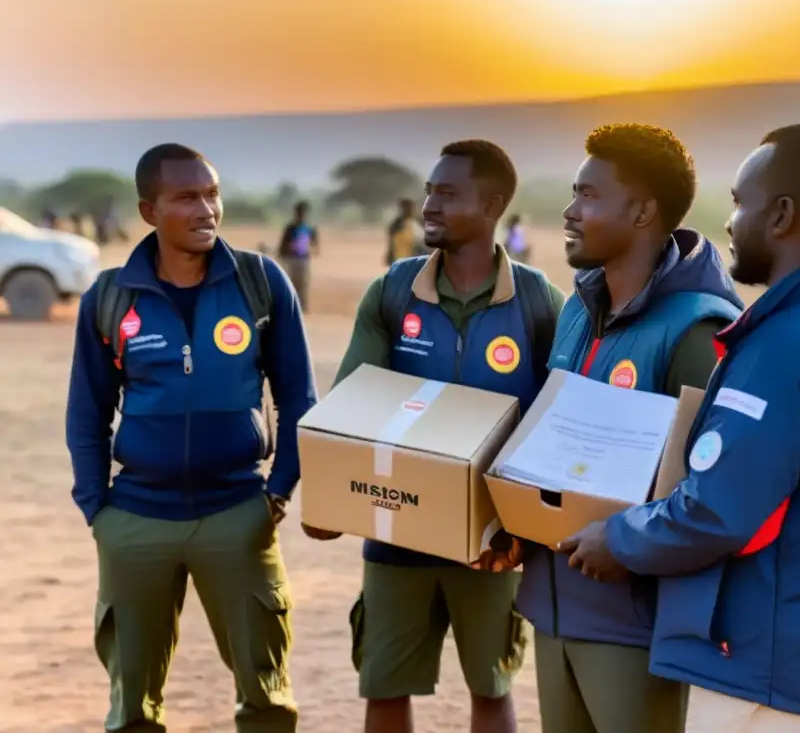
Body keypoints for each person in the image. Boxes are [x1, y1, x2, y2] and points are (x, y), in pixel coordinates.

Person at [562, 123, 800, 732]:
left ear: (780, 216)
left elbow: (717, 511)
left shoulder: (787, 344)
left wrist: (616, 539)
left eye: (737, 202)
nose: (728, 222)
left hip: (770, 674)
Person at [311, 139, 565, 733]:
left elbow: (555, 426)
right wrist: (328, 498)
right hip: (396, 531)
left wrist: (522, 532)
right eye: (429, 191)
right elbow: (350, 410)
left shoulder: (538, 303)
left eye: (447, 194)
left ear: (493, 204)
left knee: (491, 689)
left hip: (491, 545)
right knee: (385, 688)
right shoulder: (393, 294)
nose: (430, 205)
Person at [65, 143, 317, 733]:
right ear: (149, 212)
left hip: (238, 512)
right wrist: (96, 508)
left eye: (212, 194)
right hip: (135, 521)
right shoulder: (109, 297)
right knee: (132, 708)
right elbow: (88, 412)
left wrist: (277, 493)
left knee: (268, 699)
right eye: (187, 197)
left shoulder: (260, 283)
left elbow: (298, 397)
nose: (207, 209)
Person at [514, 123, 744, 733]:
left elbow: (705, 492)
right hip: (552, 605)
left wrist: (623, 546)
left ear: (642, 211)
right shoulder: (575, 310)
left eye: (588, 196)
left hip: (634, 625)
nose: (569, 211)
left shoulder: (700, 331)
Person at [276, 200, 319, 312]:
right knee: (293, 282)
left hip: (303, 258)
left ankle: (303, 305)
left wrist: (313, 248)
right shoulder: (291, 228)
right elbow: (283, 243)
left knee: (303, 282)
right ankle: (295, 304)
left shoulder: (309, 228)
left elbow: (315, 242)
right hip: (293, 258)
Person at [386, 197, 426, 264]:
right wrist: (390, 254)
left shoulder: (419, 222)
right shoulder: (396, 224)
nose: (408, 210)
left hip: (416, 258)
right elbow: (391, 241)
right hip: (400, 258)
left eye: (410, 207)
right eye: (405, 207)